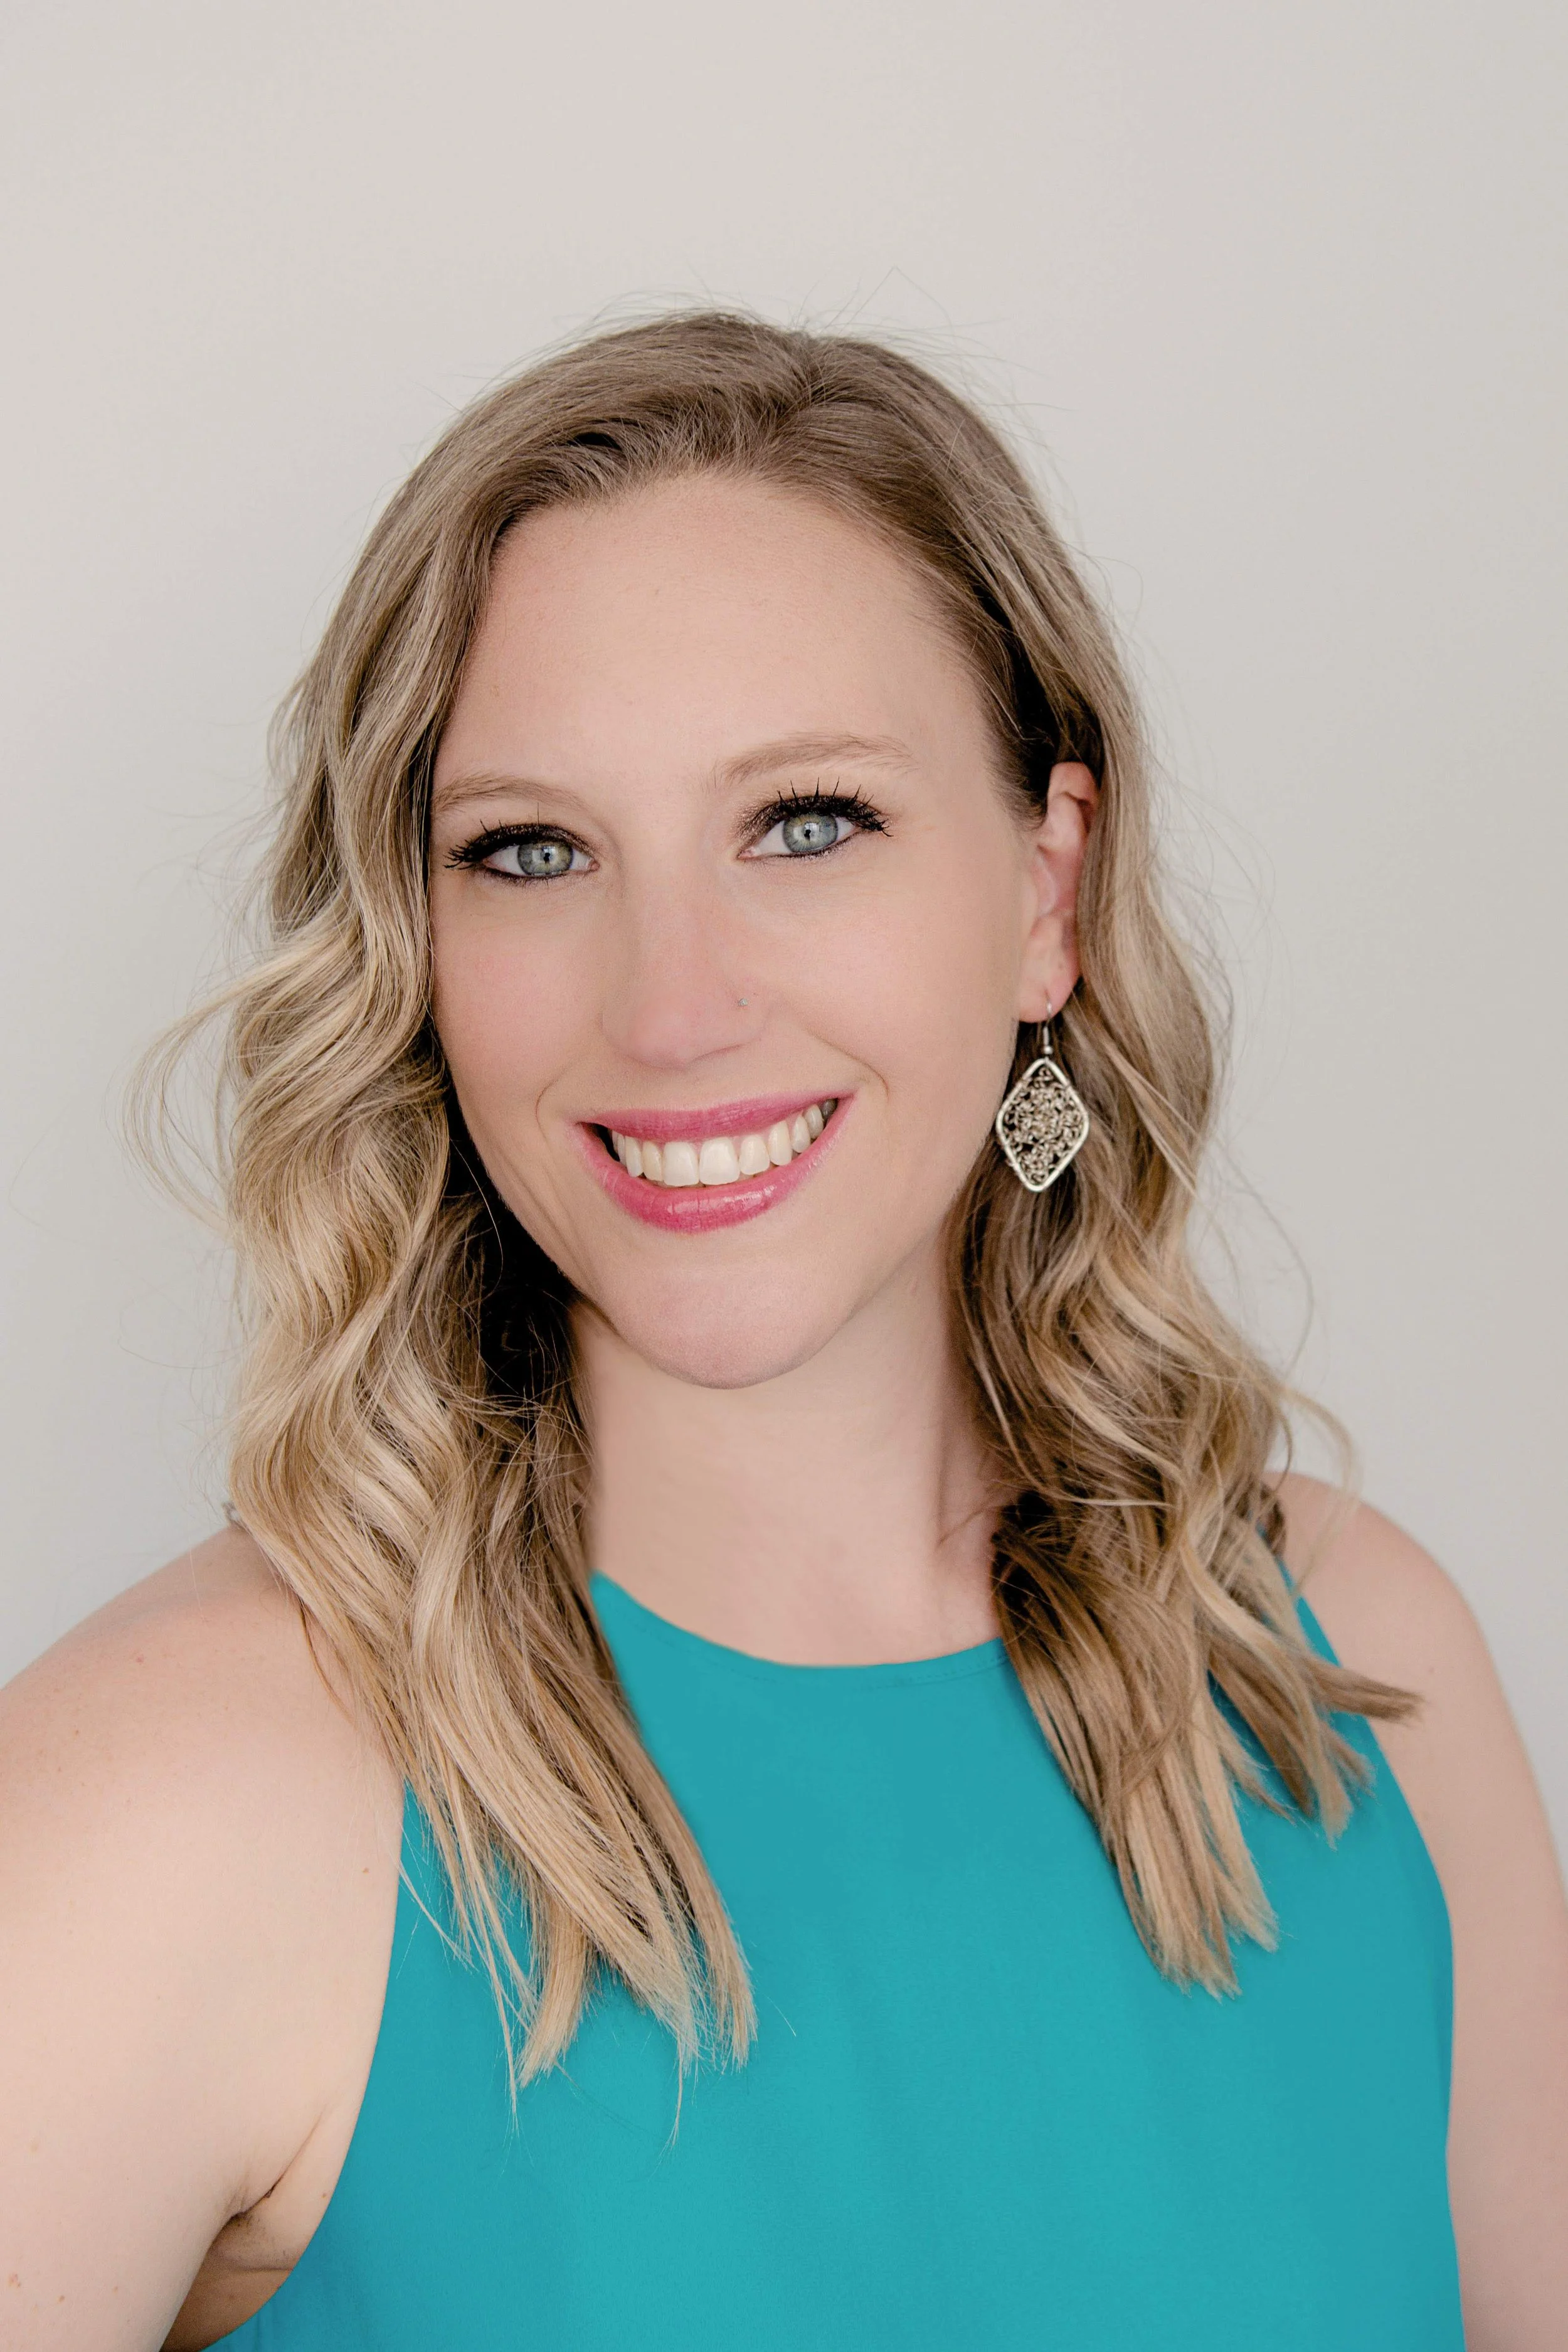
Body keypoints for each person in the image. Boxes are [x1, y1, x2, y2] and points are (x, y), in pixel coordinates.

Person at [2, 314, 1564, 2352]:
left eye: (807, 820)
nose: (670, 1004)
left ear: (1044, 889)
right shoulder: (169, 1793)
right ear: (420, 952)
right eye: (530, 850)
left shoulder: (1347, 1673)